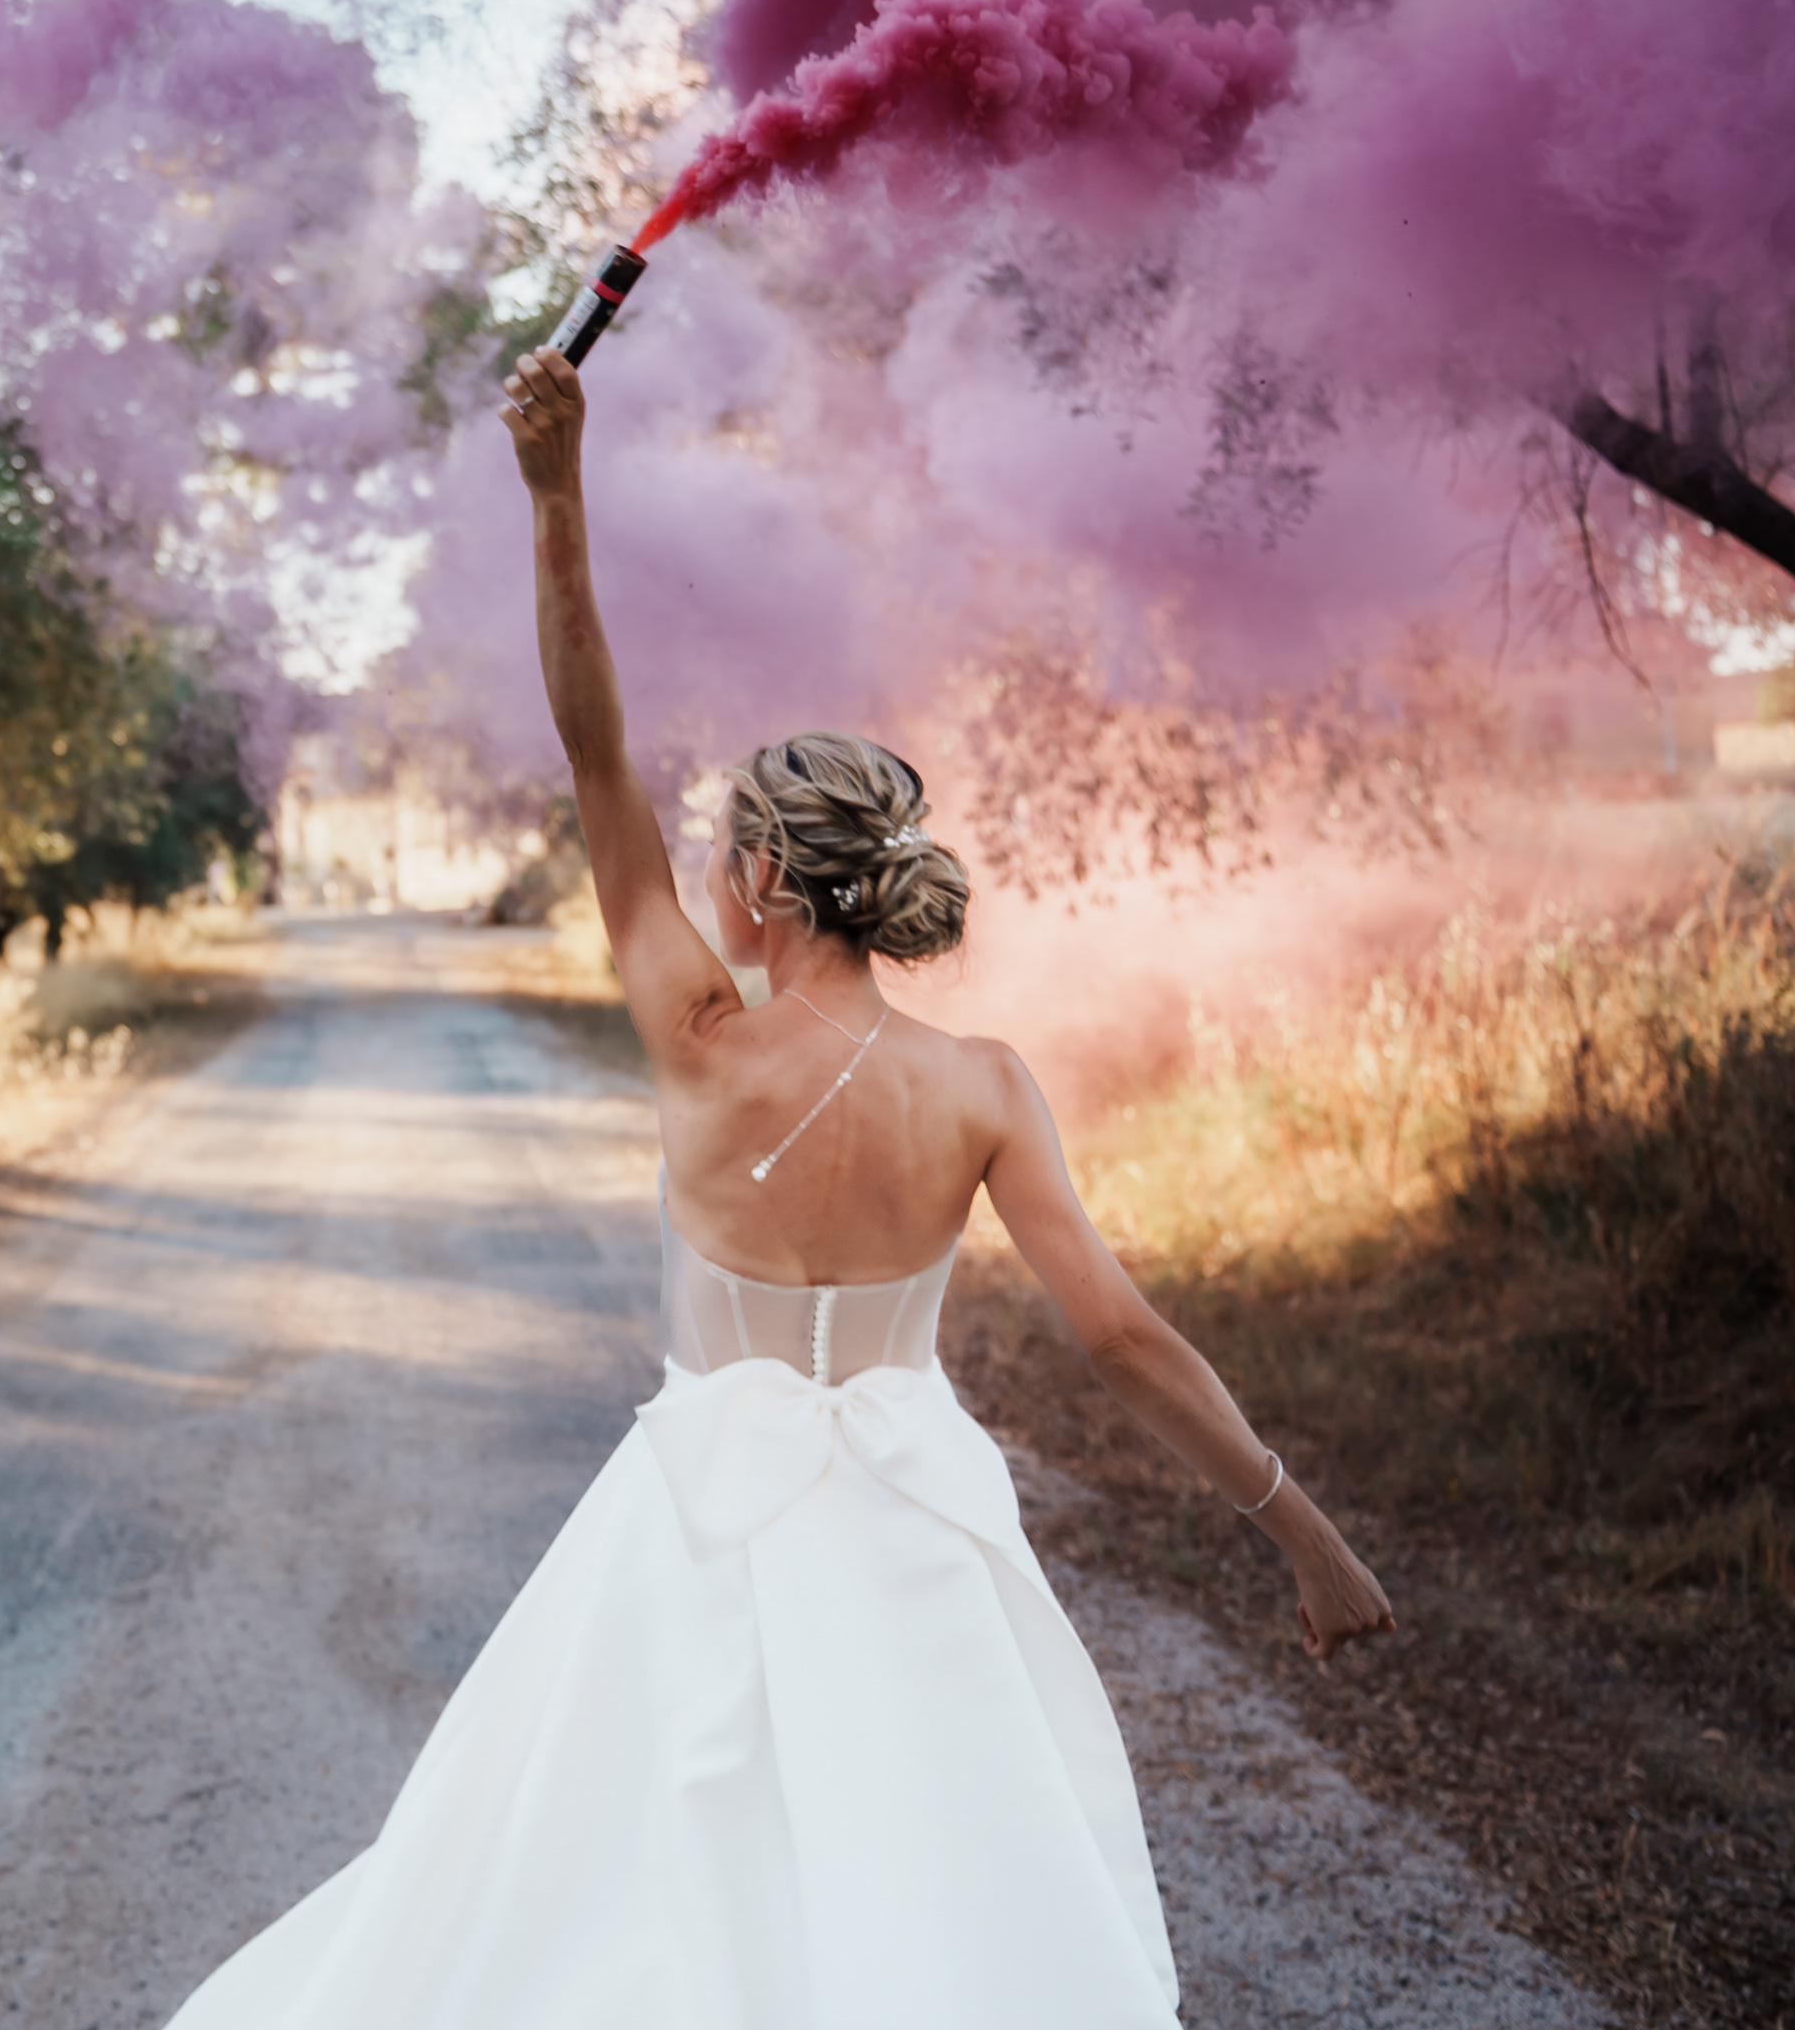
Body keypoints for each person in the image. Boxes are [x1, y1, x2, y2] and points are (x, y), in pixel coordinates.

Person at [163, 345, 1396, 2029]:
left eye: (721, 846)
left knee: (618, 1901)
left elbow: (588, 737)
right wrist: (1302, 1535)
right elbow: (1117, 1336)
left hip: (691, 1531)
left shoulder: (691, 1032)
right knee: (935, 1902)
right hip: (918, 1541)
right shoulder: (984, 1086)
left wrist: (552, 493)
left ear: (754, 878)